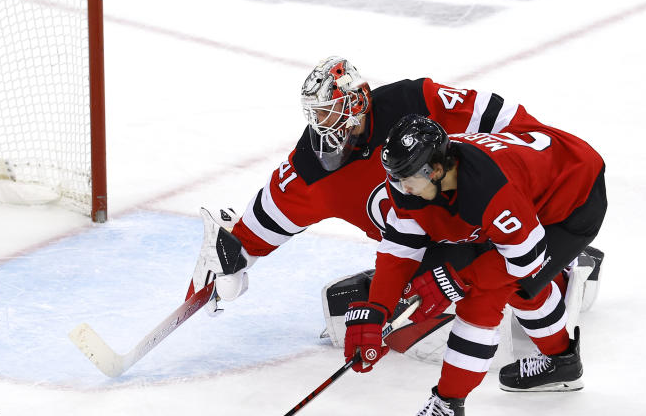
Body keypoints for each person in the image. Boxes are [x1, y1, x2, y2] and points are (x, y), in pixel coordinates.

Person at [188, 55, 603, 359]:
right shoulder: (310, 169)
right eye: (319, 114)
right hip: (425, 243)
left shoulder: (414, 102)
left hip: (497, 220)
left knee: (508, 284)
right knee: (349, 313)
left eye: (333, 111)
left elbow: (509, 123)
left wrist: (535, 194)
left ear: (358, 101)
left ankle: (567, 273)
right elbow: (267, 219)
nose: (326, 124)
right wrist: (233, 253)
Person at [343, 114, 606, 416]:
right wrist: (376, 308)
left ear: (434, 170)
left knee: (487, 297)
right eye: (395, 177)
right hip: (535, 172)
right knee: (489, 272)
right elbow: (399, 252)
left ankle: (449, 405)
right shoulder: (416, 179)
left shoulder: (491, 192)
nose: (399, 188)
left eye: (406, 178)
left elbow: (526, 263)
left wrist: (458, 279)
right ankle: (563, 363)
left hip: (574, 197)